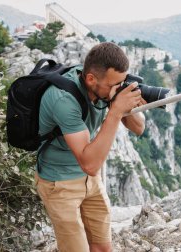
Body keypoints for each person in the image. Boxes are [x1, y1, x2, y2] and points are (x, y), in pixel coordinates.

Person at [35, 42, 146, 252]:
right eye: (114, 85)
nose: (117, 89)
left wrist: (122, 101)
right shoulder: (63, 99)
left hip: (90, 182)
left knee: (103, 248)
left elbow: (139, 128)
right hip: (59, 183)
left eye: (121, 83)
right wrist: (115, 113)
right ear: (90, 79)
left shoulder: (104, 87)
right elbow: (90, 164)